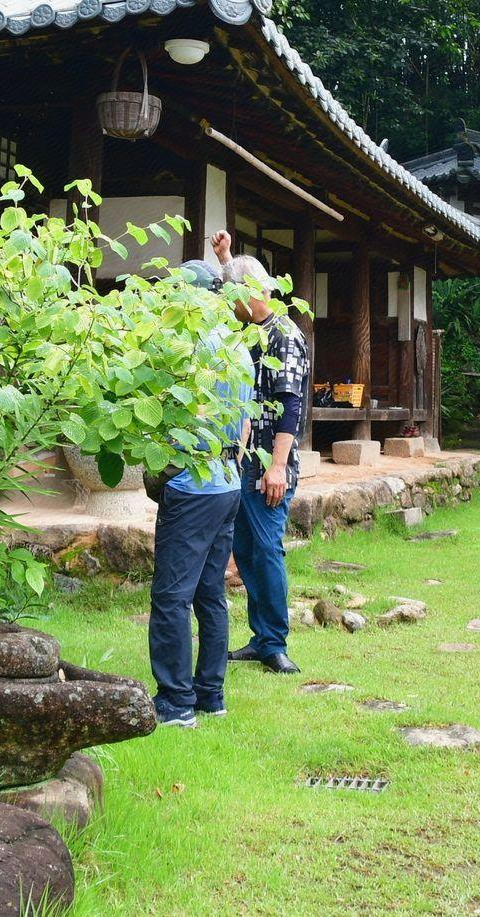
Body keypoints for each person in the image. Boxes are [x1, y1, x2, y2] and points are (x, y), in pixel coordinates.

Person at [148, 260, 253, 728]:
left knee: (171, 595)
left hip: (192, 485)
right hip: (229, 480)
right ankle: (211, 694)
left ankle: (174, 702)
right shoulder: (238, 348)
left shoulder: (185, 346)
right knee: (210, 594)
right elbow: (246, 423)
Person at [211, 231, 308, 675]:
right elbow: (232, 285)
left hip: (270, 461)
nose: (229, 304)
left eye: (234, 295)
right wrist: (226, 259)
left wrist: (278, 466)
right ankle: (261, 637)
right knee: (247, 550)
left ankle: (275, 643)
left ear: (252, 294)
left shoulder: (283, 334)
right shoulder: (253, 331)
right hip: (246, 460)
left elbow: (291, 405)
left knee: (267, 548)